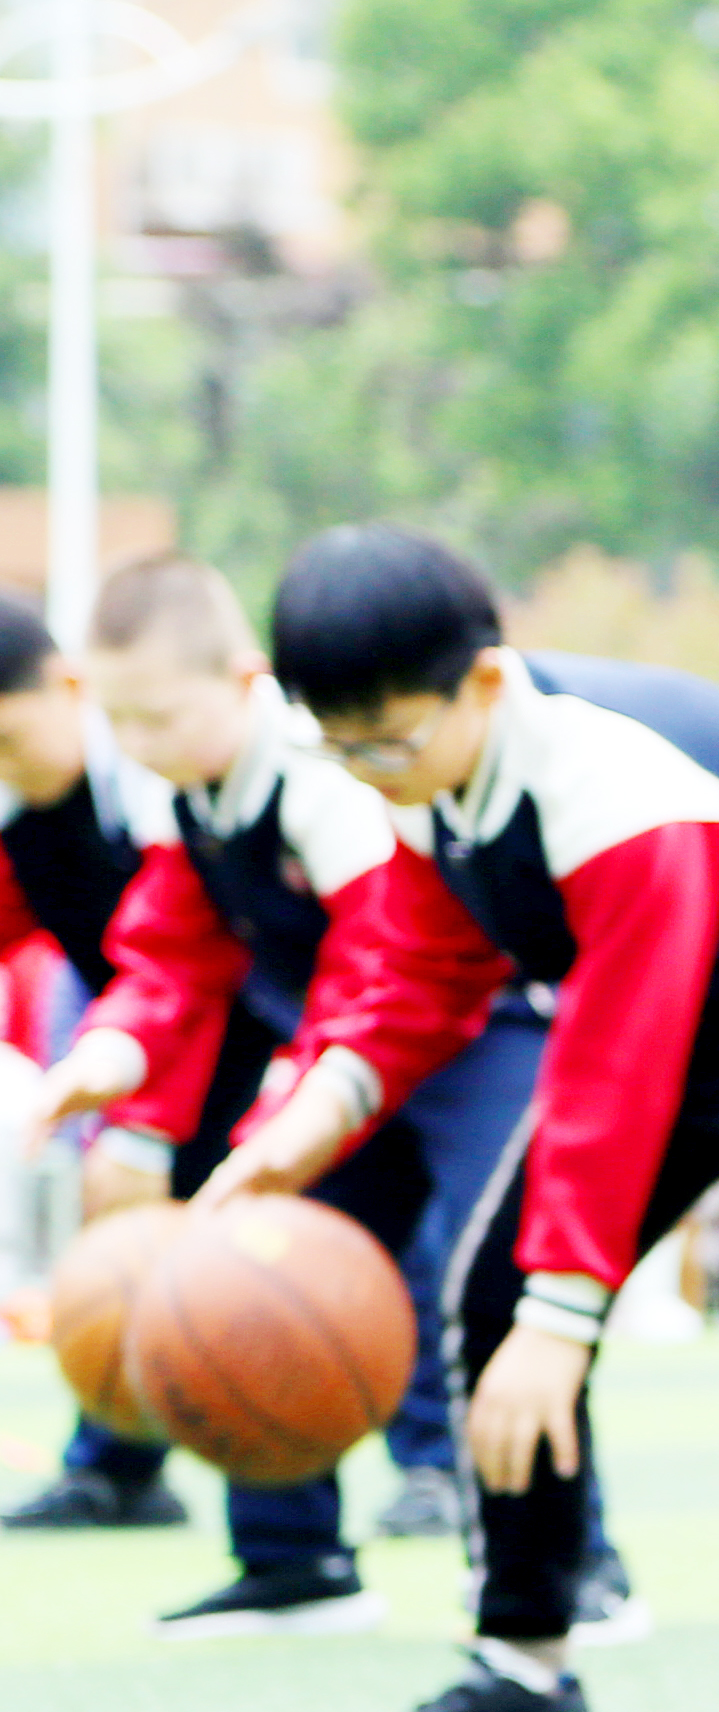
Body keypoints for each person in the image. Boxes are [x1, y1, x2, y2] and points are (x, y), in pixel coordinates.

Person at [212, 525, 719, 1712]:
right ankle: (526, 1675)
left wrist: (572, 1315)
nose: (368, 774)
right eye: (340, 749)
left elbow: (618, 1068)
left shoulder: (613, 786)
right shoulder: (425, 779)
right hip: (687, 998)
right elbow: (423, 973)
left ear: (485, 684)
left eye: (388, 740)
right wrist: (301, 1134)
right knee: (489, 1289)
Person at [27, 553, 636, 1636]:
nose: (139, 746)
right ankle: (293, 1559)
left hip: (466, 1039)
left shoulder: (325, 777)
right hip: (340, 1066)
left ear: (247, 680)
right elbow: (170, 958)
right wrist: (105, 1059)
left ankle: (577, 1567)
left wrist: (287, 1098)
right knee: (248, 1269)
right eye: (120, 722)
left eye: (161, 717)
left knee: (491, 1276)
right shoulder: (186, 795)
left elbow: (383, 960)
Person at [0, 592, 196, 1533]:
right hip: (133, 1052)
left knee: (350, 1248)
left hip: (258, 1034)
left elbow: (193, 963)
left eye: (8, 738)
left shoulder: (162, 782)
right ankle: (116, 1467)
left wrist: (148, 1123)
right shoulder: (20, 822)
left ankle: (432, 1464)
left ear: (68, 689)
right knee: (115, 1239)